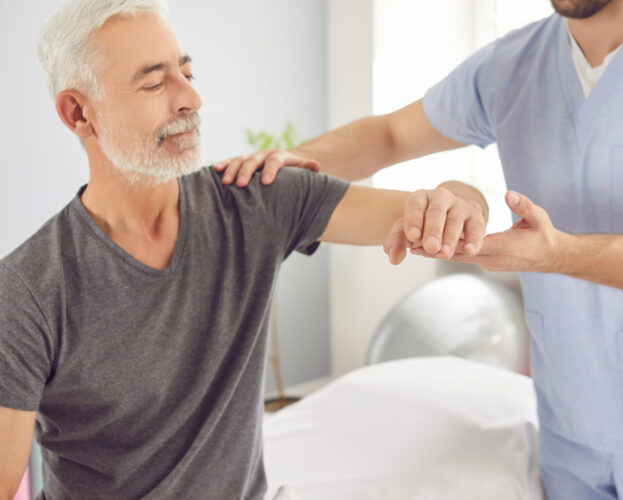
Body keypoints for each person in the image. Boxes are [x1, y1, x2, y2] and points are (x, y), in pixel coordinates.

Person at [218, 0, 623, 498]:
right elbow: (390, 135)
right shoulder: (514, 64)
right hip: (571, 419)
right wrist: (295, 162)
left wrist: (558, 254)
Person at [0, 1, 489, 498]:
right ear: (78, 113)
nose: (190, 97)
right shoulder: (26, 293)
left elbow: (432, 212)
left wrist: (460, 199)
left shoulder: (256, 200)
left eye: (187, 72)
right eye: (153, 83)